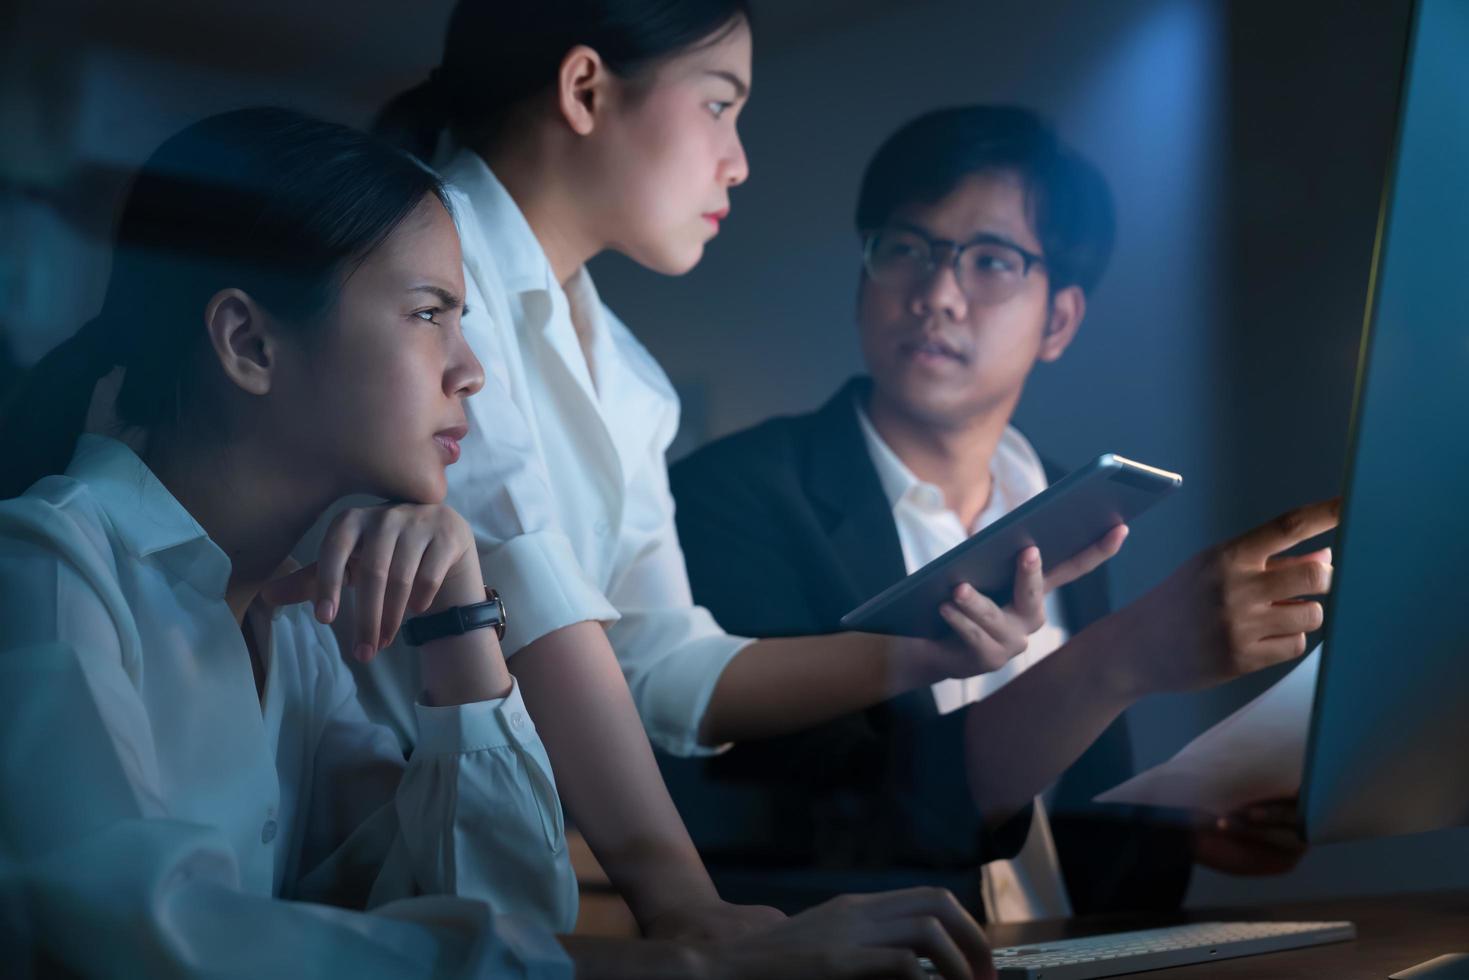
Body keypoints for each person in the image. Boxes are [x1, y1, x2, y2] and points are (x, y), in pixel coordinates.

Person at [0, 107, 997, 980]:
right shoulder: (48, 571)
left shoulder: (293, 621)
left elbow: (503, 916)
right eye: (430, 313)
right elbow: (156, 949)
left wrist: (464, 627)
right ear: (250, 345)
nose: (472, 369)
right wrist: (683, 959)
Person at [368, 1, 1127, 938]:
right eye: (720, 105)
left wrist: (919, 651)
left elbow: (660, 664)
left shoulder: (630, 379)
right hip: (355, 838)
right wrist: (686, 905)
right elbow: (532, 608)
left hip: (479, 876)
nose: (738, 160)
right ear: (584, 89)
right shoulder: (425, 267)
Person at [666, 106, 1332, 919]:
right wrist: (1122, 659)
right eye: (905, 248)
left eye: (990, 260)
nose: (936, 295)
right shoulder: (734, 494)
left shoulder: (1062, 500)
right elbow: (801, 828)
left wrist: (1179, 831)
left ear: (1058, 319)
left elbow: (1049, 811)